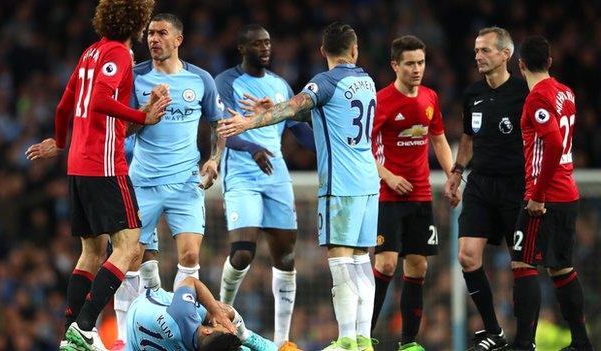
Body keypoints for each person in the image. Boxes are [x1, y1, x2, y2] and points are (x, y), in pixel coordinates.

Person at [218, 22, 379, 351]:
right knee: (363, 260)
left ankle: (346, 340)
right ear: (354, 49)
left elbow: (294, 107)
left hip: (341, 183)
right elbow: (323, 115)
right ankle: (363, 339)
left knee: (341, 260)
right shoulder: (367, 81)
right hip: (368, 180)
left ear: (323, 52)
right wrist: (275, 111)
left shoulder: (324, 82)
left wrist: (250, 120)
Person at [24, 0, 171, 350]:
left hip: (77, 162)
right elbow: (99, 101)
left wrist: (59, 142)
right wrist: (142, 116)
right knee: (130, 244)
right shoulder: (119, 54)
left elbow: (64, 105)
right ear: (137, 21)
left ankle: (71, 334)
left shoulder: (90, 52)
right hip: (103, 164)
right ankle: (87, 326)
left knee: (92, 251)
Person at [111, 13, 226, 350]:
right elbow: (122, 129)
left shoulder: (200, 79)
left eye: (161, 33)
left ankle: (182, 328)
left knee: (190, 256)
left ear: (178, 39)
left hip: (185, 185)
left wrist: (214, 158)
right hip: (143, 182)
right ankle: (123, 337)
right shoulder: (134, 78)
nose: (153, 38)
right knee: (131, 258)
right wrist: (144, 113)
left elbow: (217, 124)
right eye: (149, 33)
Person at [214, 24, 315, 348]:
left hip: (276, 174)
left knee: (285, 258)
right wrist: (253, 148)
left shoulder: (281, 86)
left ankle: (283, 342)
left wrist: (327, 145)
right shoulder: (226, 82)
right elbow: (225, 128)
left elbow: (297, 130)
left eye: (268, 43)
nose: (266, 49)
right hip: (242, 173)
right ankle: (220, 316)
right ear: (243, 49)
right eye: (258, 44)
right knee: (243, 252)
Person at [370, 35, 458, 350]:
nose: (417, 69)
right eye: (410, 63)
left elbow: (439, 139)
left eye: (420, 62)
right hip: (387, 195)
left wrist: (452, 175)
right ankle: (363, 337)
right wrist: (388, 176)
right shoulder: (380, 101)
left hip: (420, 195)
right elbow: (360, 149)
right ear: (395, 65)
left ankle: (408, 343)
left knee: (418, 265)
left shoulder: (430, 98)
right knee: (386, 264)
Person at [444, 27, 527, 350]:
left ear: (505, 55)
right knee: (466, 257)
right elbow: (468, 138)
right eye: (476, 50)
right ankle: (494, 331)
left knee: (521, 265)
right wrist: (457, 171)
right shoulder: (473, 94)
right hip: (480, 184)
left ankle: (526, 339)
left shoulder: (523, 93)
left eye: (486, 50)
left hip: (516, 186)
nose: (478, 56)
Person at [509, 35, 593, 351]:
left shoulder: (537, 98)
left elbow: (555, 143)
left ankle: (523, 343)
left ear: (520, 65)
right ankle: (582, 342)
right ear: (550, 62)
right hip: (566, 193)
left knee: (522, 263)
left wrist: (538, 195)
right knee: (561, 268)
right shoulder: (566, 93)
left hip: (546, 196)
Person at [125, 277, 302, 351]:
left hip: (141, 312)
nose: (228, 327)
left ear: (208, 330)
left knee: (220, 312)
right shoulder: (185, 315)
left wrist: (216, 313)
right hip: (140, 325)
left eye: (225, 328)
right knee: (226, 314)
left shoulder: (185, 314)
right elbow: (190, 280)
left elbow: (191, 282)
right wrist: (241, 331)